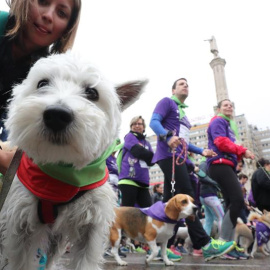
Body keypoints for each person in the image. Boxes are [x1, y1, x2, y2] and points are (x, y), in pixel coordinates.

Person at [149, 78, 235, 262]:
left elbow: (184, 142)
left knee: (168, 203)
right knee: (187, 197)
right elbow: (153, 121)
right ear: (173, 89)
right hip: (168, 156)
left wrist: (200, 150)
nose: (185, 85)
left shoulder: (184, 116)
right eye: (181, 83)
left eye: (187, 84)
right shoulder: (167, 102)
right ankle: (204, 244)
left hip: (180, 157)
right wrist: (166, 136)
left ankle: (158, 248)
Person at [0, 0, 81, 174]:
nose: (48, 16)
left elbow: (13, 129)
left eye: (61, 13)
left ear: (66, 28)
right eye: (43, 2)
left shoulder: (43, 72)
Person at [207, 98, 255, 259]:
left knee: (231, 206)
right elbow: (221, 142)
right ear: (218, 109)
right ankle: (222, 243)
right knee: (237, 201)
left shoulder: (226, 124)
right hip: (219, 165)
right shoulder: (218, 121)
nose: (229, 107)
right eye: (225, 105)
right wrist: (243, 150)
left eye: (231, 105)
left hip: (226, 166)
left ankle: (228, 246)